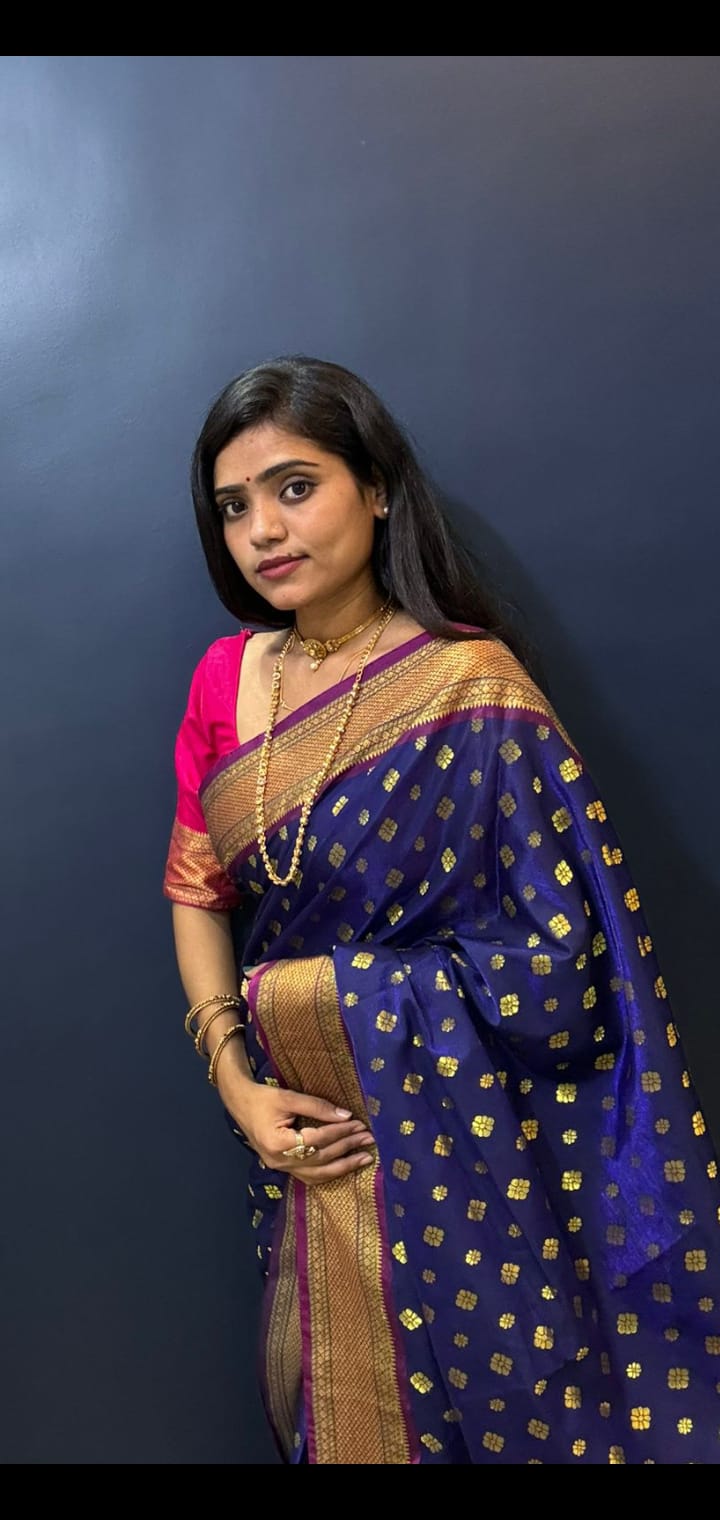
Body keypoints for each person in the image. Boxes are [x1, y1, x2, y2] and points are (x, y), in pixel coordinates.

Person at [164, 355, 720, 1466]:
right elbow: (195, 891)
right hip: (303, 1144)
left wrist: (332, 1002)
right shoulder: (224, 679)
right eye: (233, 506)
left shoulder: (471, 686)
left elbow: (562, 962)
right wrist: (237, 1082)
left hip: (466, 1148)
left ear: (376, 488)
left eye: (295, 487)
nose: (263, 530)